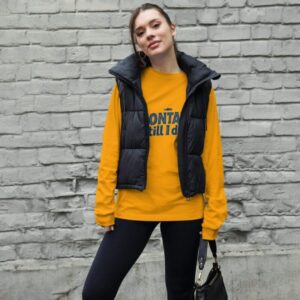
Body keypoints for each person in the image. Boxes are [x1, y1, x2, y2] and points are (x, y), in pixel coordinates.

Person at [82, 3, 227, 300]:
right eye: (140, 32)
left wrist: (214, 215)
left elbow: (211, 154)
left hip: (185, 207)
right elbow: (111, 147)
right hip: (135, 205)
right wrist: (104, 204)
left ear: (172, 29)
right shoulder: (127, 85)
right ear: (138, 44)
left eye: (155, 25)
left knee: (180, 293)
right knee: (96, 292)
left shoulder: (199, 87)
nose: (149, 33)